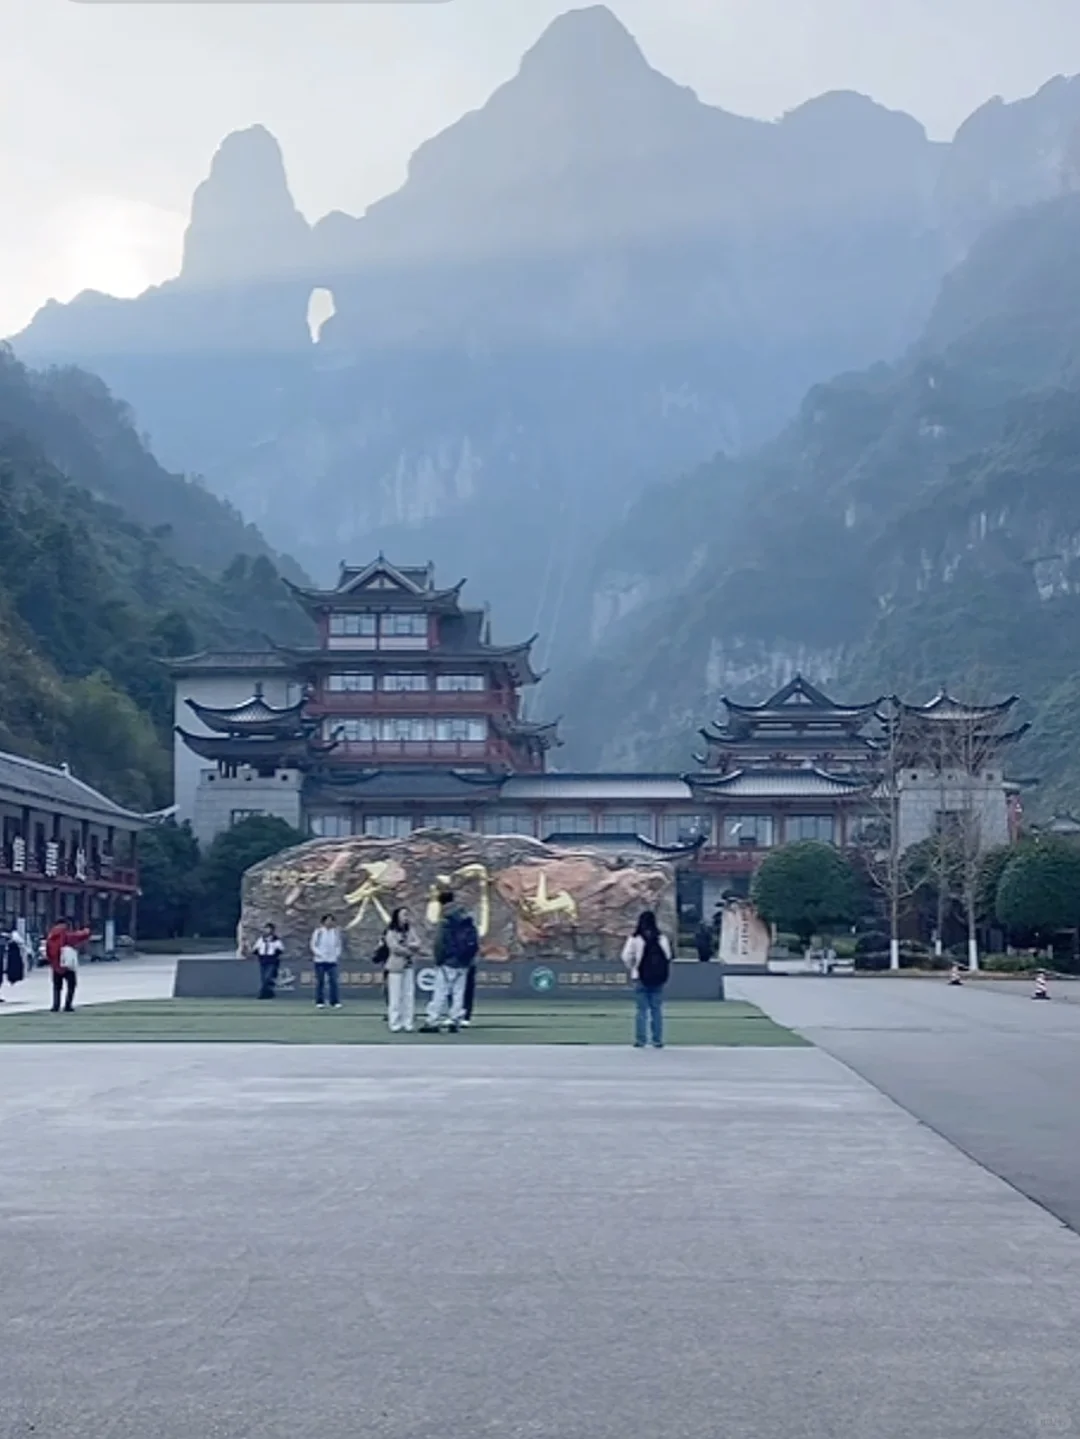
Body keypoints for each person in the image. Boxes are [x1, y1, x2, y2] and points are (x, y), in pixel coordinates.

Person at [421, 889, 479, 1033]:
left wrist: (439, 959)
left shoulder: (446, 920)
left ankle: (433, 1020)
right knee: (459, 992)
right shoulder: (467, 918)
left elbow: (440, 943)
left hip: (448, 962)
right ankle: (455, 1020)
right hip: (465, 962)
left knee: (440, 991)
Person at [621, 909, 673, 1050]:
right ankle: (657, 1040)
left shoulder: (635, 938)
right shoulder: (661, 938)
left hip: (640, 977)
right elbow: (667, 956)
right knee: (656, 1009)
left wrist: (633, 967)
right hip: (657, 978)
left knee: (641, 1010)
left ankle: (641, 1040)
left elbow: (626, 956)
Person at [383, 907, 420, 1033]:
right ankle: (394, 1022)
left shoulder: (410, 930)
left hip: (408, 966)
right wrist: (409, 951)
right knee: (395, 996)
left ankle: (408, 1022)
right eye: (404, 914)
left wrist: (411, 946)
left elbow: (417, 943)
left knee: (408, 995)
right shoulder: (391, 931)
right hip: (395, 967)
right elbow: (394, 948)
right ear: (397, 916)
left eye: (407, 915)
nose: (406, 917)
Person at [45, 918, 91, 1013]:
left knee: (57, 987)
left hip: (55, 965)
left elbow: (48, 951)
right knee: (71, 985)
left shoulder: (50, 936)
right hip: (67, 964)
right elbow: (76, 937)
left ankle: (55, 1006)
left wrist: (52, 962)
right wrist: (86, 932)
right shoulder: (65, 934)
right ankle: (67, 1005)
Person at [310, 913, 343, 1009]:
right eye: (328, 920)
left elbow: (338, 945)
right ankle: (320, 1001)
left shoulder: (336, 932)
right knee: (320, 982)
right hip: (320, 961)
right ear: (323, 922)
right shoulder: (318, 932)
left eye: (332, 920)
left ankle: (334, 1001)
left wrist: (336, 954)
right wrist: (319, 954)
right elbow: (313, 945)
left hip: (332, 961)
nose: (330, 922)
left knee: (334, 982)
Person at [253, 923, 285, 1000]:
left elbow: (281, 949)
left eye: (269, 929)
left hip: (272, 960)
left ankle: (262, 994)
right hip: (263, 960)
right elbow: (255, 948)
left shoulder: (276, 940)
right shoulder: (261, 939)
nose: (267, 930)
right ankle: (269, 993)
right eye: (266, 929)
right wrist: (259, 954)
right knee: (264, 978)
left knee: (268, 977)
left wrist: (275, 953)